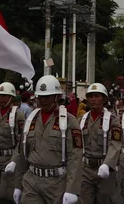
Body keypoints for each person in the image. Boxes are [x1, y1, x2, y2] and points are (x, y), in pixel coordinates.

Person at [15, 75, 82, 204]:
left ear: (56, 97)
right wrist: (18, 186)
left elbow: (75, 157)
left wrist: (71, 189)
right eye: (40, 97)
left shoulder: (68, 121)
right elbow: (22, 153)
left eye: (47, 97)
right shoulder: (30, 120)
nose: (43, 100)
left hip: (57, 183)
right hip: (32, 181)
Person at [80, 83, 121, 204]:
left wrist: (107, 164)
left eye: (97, 96)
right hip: (85, 169)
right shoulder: (83, 119)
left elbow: (115, 144)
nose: (93, 99)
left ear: (104, 99)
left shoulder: (113, 120)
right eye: (91, 96)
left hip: (105, 168)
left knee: (105, 200)